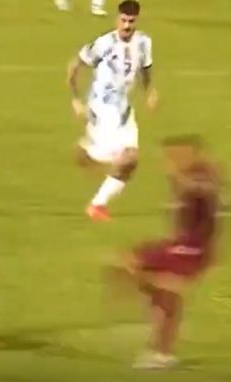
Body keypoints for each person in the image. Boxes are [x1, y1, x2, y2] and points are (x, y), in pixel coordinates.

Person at [107, 135, 222, 369]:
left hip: (192, 249)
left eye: (177, 154)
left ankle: (163, 349)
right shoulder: (186, 177)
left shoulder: (202, 176)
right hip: (181, 245)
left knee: (143, 273)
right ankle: (161, 327)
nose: (171, 159)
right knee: (129, 265)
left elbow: (203, 193)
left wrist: (181, 178)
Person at [66, 0, 158, 221]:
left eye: (131, 21)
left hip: (124, 108)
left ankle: (97, 203)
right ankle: (89, 155)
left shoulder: (144, 42)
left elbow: (145, 69)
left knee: (130, 162)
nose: (126, 25)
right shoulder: (104, 43)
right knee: (126, 158)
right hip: (104, 108)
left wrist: (149, 91)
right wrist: (75, 99)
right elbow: (74, 66)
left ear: (137, 20)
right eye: (123, 20)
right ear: (117, 18)